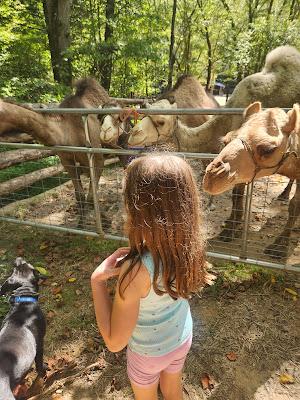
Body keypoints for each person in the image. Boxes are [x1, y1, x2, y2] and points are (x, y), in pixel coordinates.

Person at [91, 153, 208, 400]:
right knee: (174, 390)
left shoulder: (135, 273)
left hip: (148, 356)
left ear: (138, 210)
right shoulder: (191, 246)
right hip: (181, 338)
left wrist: (97, 282)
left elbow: (114, 342)